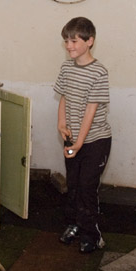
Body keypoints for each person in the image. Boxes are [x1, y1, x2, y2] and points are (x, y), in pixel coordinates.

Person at [54, 16, 112, 253]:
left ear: (90, 41)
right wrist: (61, 123)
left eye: (74, 41)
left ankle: (92, 235)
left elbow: (91, 110)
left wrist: (79, 143)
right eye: (66, 41)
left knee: (87, 187)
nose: (69, 46)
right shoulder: (66, 68)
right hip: (72, 138)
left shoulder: (99, 72)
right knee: (74, 184)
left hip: (95, 140)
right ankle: (74, 225)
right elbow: (64, 97)